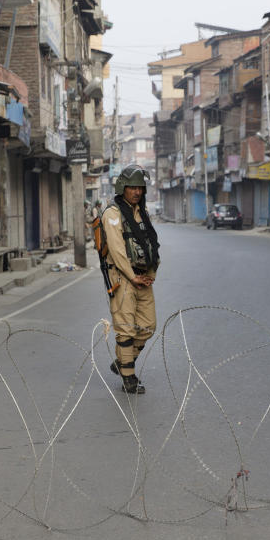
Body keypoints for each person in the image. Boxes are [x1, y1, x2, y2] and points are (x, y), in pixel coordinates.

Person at [102, 165, 160, 394]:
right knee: (126, 329)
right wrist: (132, 276)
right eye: (132, 187)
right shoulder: (113, 214)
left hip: (143, 277)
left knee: (148, 326)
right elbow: (117, 251)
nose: (136, 192)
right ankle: (129, 378)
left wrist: (150, 273)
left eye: (140, 188)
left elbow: (150, 244)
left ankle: (121, 362)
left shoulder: (141, 212)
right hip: (123, 278)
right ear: (122, 188)